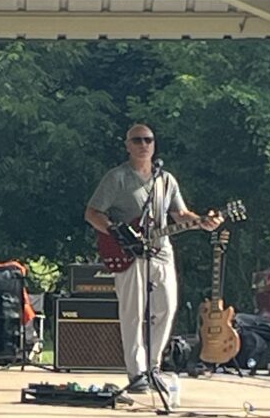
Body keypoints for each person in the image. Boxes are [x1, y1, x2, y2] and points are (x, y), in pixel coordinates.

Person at [84, 123, 220, 393]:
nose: (143, 145)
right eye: (137, 140)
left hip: (161, 250)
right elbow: (93, 213)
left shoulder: (165, 179)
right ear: (127, 145)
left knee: (167, 307)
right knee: (133, 313)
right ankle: (136, 373)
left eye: (148, 140)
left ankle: (153, 366)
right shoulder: (117, 178)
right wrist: (117, 232)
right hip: (130, 254)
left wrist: (202, 221)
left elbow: (180, 215)